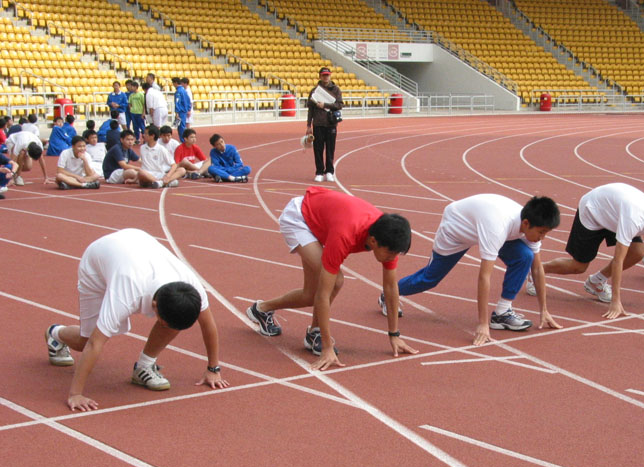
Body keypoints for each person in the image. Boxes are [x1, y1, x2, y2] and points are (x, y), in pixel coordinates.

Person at [44, 228, 229, 412]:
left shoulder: (190, 288)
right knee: (84, 341)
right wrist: (75, 394)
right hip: (98, 261)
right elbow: (95, 343)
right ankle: (55, 334)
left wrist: (213, 369)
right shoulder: (125, 293)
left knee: (175, 318)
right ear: (154, 305)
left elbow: (208, 324)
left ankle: (143, 367)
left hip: (136, 246)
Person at [246, 186, 418, 370]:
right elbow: (324, 294)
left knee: (309, 295)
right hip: (300, 218)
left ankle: (261, 309)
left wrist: (394, 334)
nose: (393, 258)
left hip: (323, 218)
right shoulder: (346, 234)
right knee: (334, 281)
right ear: (374, 241)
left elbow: (390, 287)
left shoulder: (389, 237)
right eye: (391, 254)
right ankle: (316, 334)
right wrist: (327, 347)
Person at [390, 194, 561, 344]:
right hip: (458, 229)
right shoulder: (498, 227)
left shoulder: (530, 225)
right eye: (541, 232)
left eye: (546, 233)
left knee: (525, 256)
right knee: (430, 279)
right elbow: (484, 276)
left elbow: (537, 269)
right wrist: (482, 324)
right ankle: (390, 293)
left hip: (484, 225)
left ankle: (502, 312)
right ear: (526, 223)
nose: (543, 238)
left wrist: (544, 310)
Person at [543, 183, 644, 319]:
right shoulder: (635, 220)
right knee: (578, 266)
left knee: (638, 252)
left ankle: (596, 281)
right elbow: (618, 260)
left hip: (615, 213)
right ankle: (538, 270)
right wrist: (616, 301)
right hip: (594, 210)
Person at [305, 66, 343, 182]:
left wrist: (325, 105)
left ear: (330, 76)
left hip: (331, 123)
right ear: (320, 76)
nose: (326, 77)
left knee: (330, 149)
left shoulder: (336, 90)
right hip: (318, 123)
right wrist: (308, 125)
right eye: (324, 75)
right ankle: (319, 172)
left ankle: (330, 171)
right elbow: (310, 109)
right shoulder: (314, 91)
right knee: (318, 149)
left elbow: (339, 105)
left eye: (327, 75)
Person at [138, 124, 185, 188]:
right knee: (141, 172)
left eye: (146, 134)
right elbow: (143, 166)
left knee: (182, 170)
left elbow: (174, 165)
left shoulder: (161, 149)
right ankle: (163, 182)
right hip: (147, 174)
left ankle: (162, 182)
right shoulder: (142, 148)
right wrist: (134, 179)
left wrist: (168, 176)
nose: (143, 135)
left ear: (152, 136)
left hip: (160, 174)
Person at [173, 77, 191, 142]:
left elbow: (177, 102)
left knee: (180, 127)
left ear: (175, 83)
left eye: (173, 83)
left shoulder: (178, 91)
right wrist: (188, 109)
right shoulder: (184, 90)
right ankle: (184, 140)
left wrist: (177, 112)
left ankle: (183, 141)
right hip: (184, 111)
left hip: (180, 111)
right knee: (182, 126)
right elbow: (188, 100)